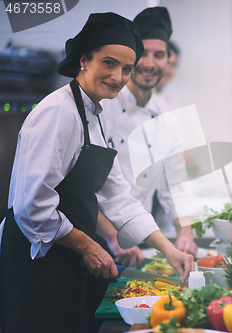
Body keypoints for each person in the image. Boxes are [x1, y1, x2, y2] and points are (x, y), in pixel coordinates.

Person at [0, 12, 193, 333]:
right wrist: (90, 246)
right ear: (84, 60)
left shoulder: (94, 112)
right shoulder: (57, 112)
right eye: (109, 63)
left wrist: (169, 249)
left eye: (126, 69)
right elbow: (32, 206)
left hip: (67, 256)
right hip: (36, 260)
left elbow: (117, 193)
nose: (118, 76)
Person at [99, 6, 198, 262]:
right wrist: (111, 236)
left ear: (168, 60)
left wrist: (184, 231)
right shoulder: (103, 106)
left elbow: (174, 184)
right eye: (143, 53)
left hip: (138, 240)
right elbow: (81, 188)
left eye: (160, 55)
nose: (150, 64)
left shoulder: (165, 115)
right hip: (93, 236)